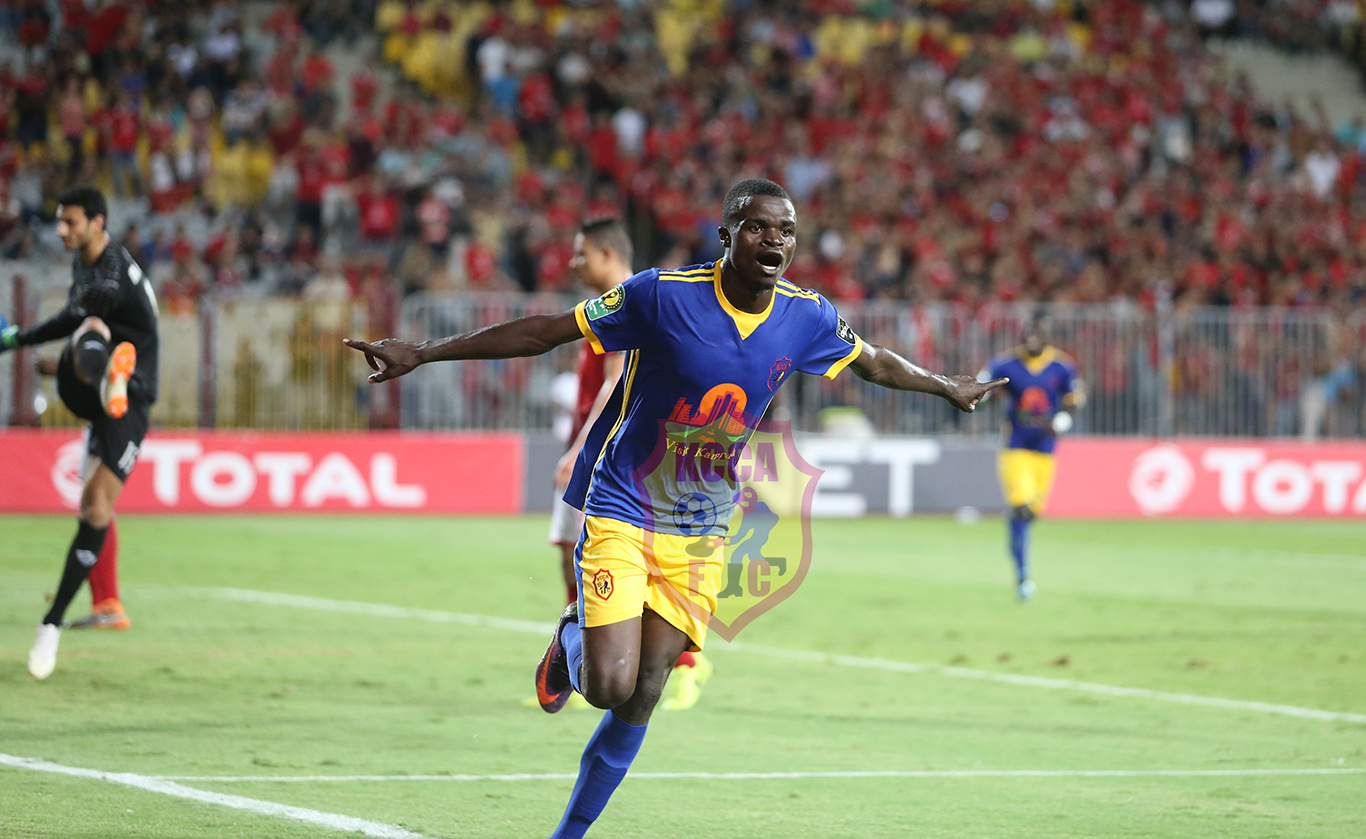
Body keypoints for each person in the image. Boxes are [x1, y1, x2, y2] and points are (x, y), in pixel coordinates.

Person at [345, 178, 1005, 838]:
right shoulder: (661, 295)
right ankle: (570, 642)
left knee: (646, 689)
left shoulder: (805, 316)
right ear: (726, 235)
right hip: (624, 505)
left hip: (701, 524)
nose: (774, 240)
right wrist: (422, 353)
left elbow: (873, 363)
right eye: (756, 227)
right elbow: (546, 332)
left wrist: (946, 386)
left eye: (785, 230)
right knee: (609, 684)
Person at [546, 218, 712, 712]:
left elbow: (615, 382)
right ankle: (583, 648)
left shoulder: (629, 303)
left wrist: (581, 448)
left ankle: (676, 667)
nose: (573, 263)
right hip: (612, 458)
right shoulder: (610, 304)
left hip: (612, 462)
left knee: (620, 566)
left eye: (581, 254)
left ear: (606, 253)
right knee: (571, 553)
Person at [0, 185, 159, 678]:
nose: (61, 230)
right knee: (92, 331)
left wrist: (16, 339)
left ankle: (62, 620)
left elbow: (70, 317)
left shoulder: (109, 273)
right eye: (60, 221)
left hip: (132, 397)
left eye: (70, 222)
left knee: (94, 507)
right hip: (98, 389)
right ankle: (104, 373)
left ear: (97, 221)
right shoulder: (89, 264)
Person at [979, 312, 1084, 600]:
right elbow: (983, 385)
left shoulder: (1062, 366)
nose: (1031, 338)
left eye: (1037, 333)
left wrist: (1063, 419)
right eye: (1028, 333)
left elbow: (1076, 399)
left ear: (1048, 336)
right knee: (1022, 508)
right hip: (1016, 446)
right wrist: (984, 395)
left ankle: (1015, 548)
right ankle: (1023, 575)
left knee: (1031, 514)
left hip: (1045, 450)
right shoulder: (1006, 363)